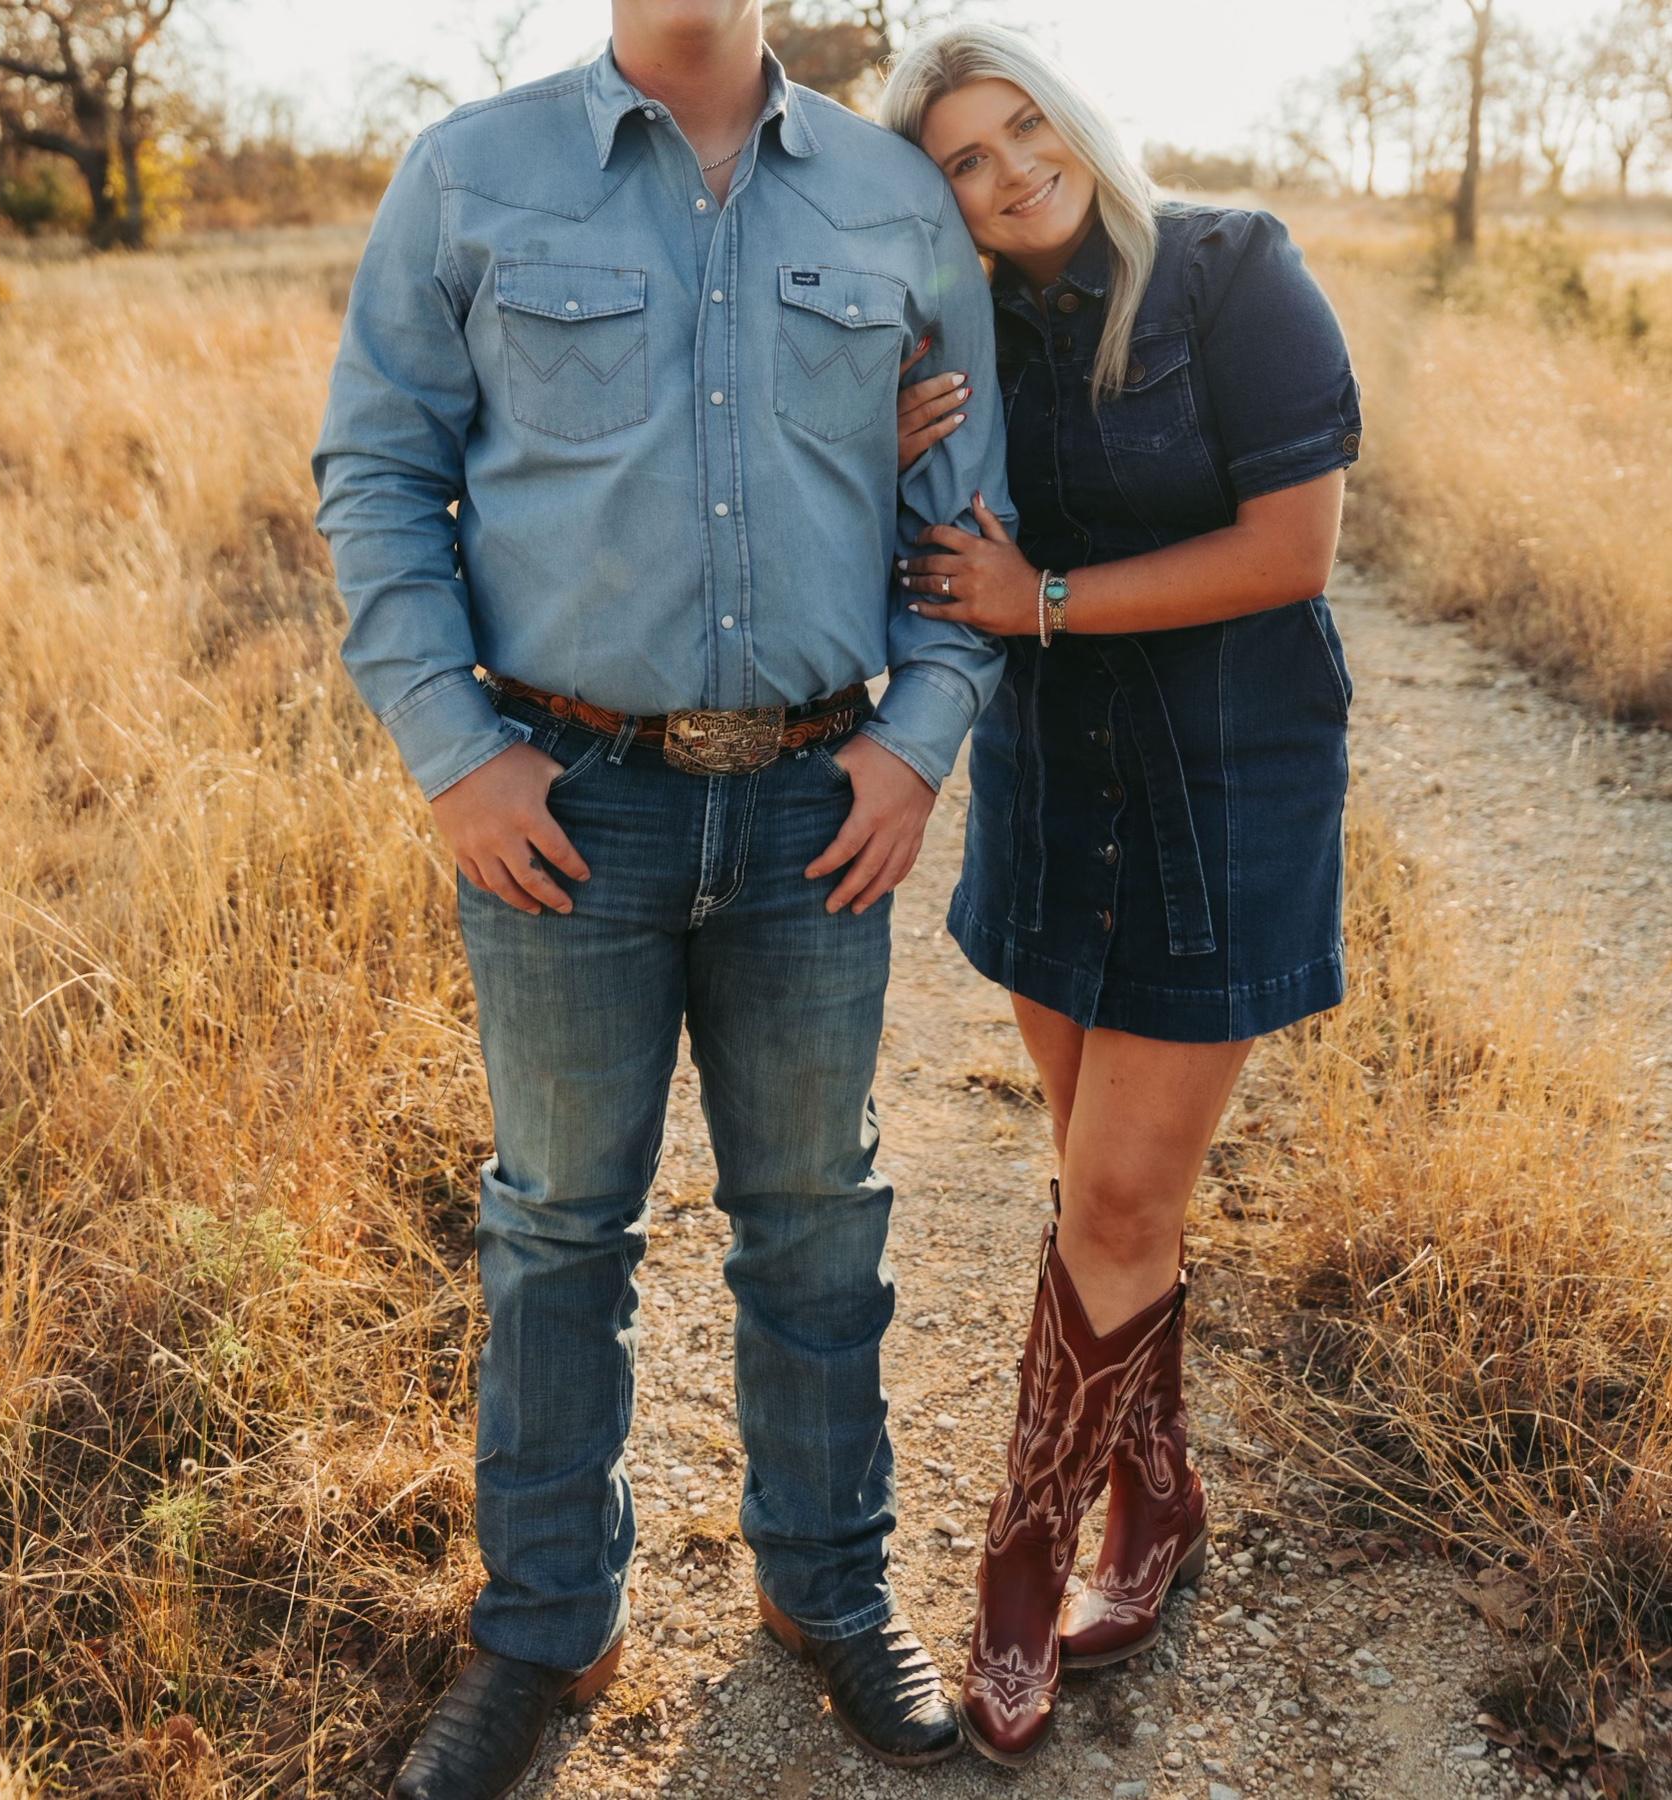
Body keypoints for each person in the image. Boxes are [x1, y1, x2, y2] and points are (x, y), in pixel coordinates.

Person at [311, 3, 1016, 1793]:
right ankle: (548, 1626)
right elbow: (378, 476)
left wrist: (916, 745)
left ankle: (828, 1589)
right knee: (557, 1226)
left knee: (818, 1217)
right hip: (564, 801)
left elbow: (964, 518)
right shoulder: (471, 175)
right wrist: (455, 756)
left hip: (814, 804)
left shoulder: (888, 196)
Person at [876, 22, 1364, 1767]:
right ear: (936, 198)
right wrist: (872, 443)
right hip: (1051, 791)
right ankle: (1158, 1499)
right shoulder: (956, 339)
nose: (1013, 170)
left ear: (1074, 119)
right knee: (1105, 1181)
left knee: (1122, 1189)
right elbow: (924, 568)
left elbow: (1291, 549)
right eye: (964, 159)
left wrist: (1052, 604)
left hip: (1225, 784)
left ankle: (1022, 1560)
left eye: (1026, 127)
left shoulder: (1231, 272)